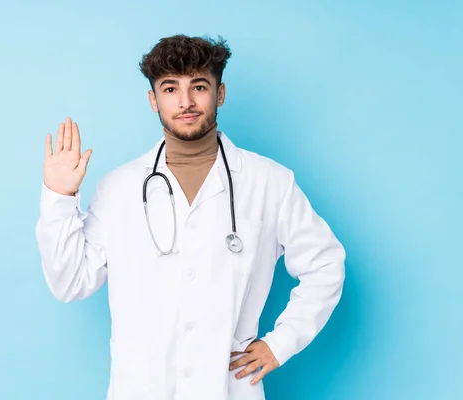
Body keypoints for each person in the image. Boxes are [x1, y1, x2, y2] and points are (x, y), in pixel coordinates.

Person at [35, 34, 346, 400]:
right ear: (153, 100)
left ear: (220, 93)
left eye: (198, 86)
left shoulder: (269, 182)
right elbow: (70, 283)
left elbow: (325, 264)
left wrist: (281, 343)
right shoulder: (118, 188)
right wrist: (60, 196)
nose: (185, 102)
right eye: (170, 89)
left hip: (228, 388)